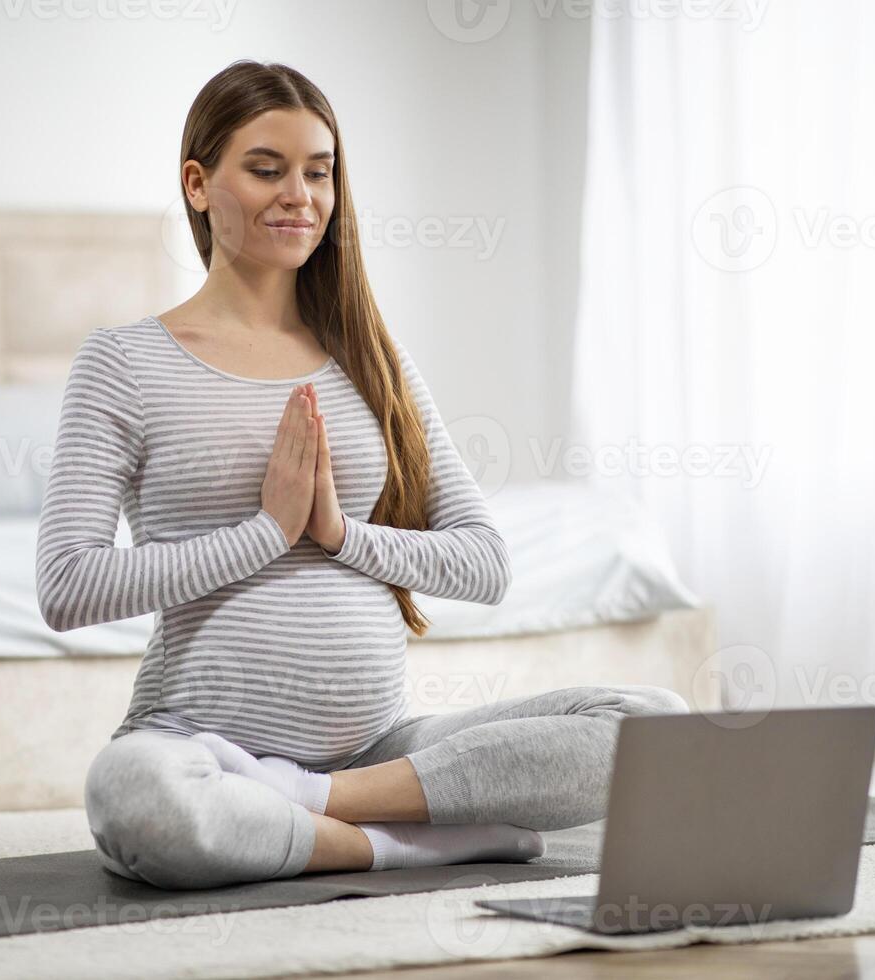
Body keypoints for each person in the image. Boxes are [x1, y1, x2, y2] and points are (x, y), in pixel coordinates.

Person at [35, 59, 688, 890]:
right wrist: (265, 534)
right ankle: (404, 841)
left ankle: (313, 803)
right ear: (198, 185)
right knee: (138, 800)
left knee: (653, 723)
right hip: (196, 744)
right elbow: (67, 587)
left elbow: (484, 564)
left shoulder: (374, 361)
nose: (299, 195)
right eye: (266, 169)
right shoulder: (124, 362)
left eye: (320, 172)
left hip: (378, 751)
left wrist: (339, 535)